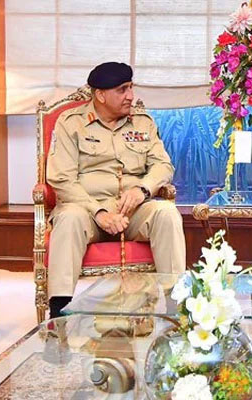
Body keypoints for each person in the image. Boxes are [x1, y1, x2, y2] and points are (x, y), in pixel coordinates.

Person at [45, 61, 186, 318]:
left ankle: (177, 308)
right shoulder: (70, 123)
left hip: (132, 209)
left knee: (166, 213)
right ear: (100, 95)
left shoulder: (143, 122)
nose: (130, 96)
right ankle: (59, 313)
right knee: (68, 218)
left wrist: (142, 190)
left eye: (131, 87)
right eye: (122, 90)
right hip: (86, 210)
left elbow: (163, 166)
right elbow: (61, 178)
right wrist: (99, 213)